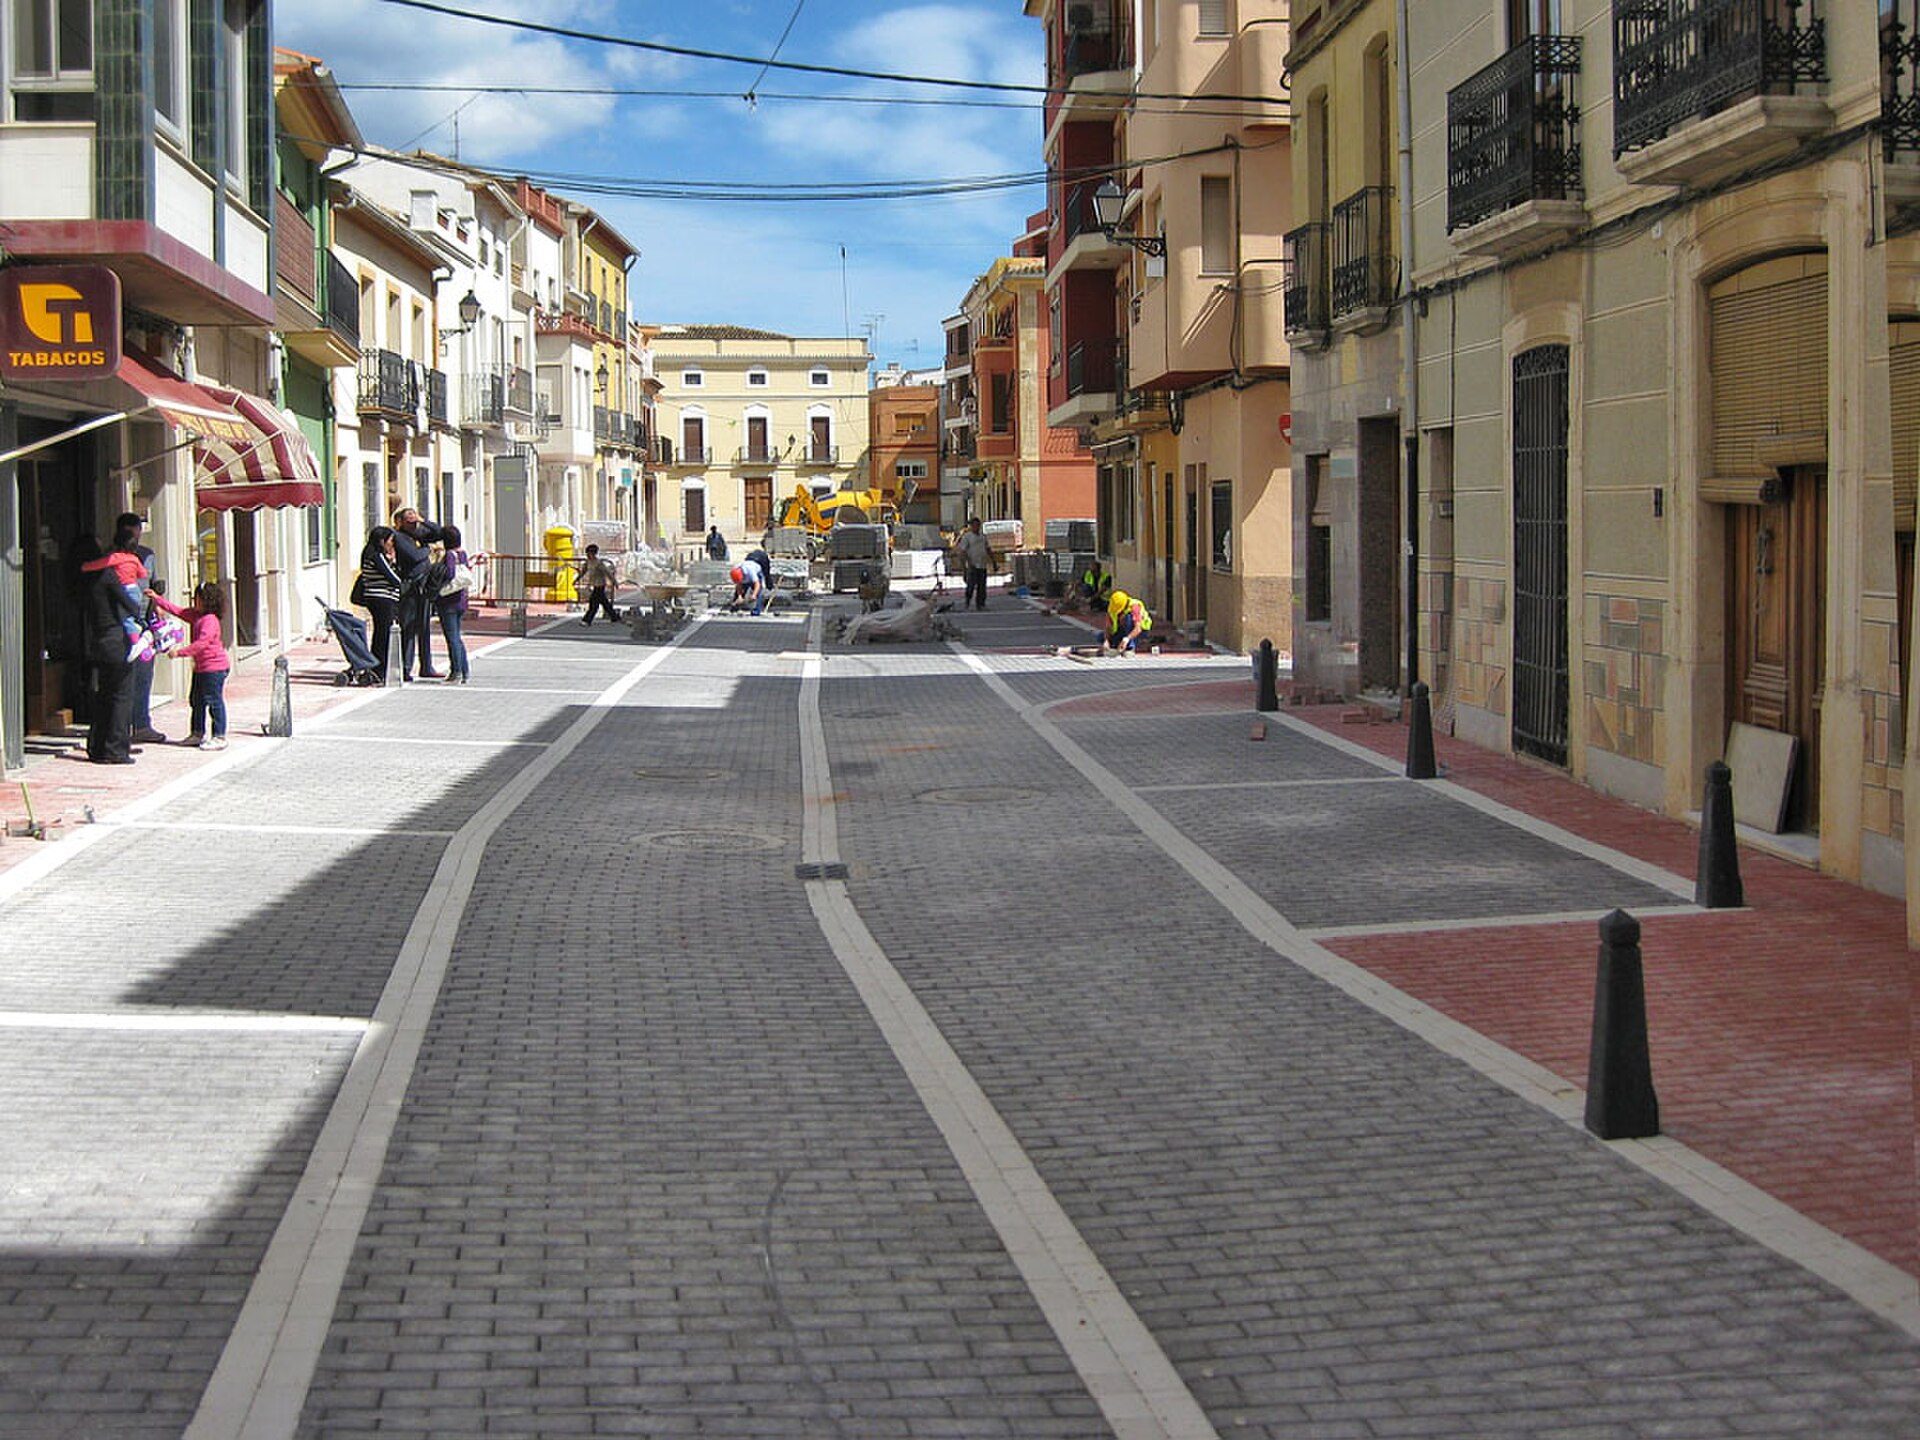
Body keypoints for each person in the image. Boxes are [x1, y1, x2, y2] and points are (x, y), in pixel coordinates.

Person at [82, 537, 143, 764]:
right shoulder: (107, 577)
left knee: (103, 695)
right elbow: (130, 605)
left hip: (97, 640)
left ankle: (96, 746)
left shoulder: (83, 579)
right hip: (116, 640)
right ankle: (116, 748)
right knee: (121, 696)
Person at [150, 582, 230, 749]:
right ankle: (197, 733)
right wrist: (157, 599)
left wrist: (179, 652)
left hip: (214, 668)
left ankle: (219, 736)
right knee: (197, 700)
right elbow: (177, 611)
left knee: (214, 701)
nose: (195, 601)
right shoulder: (196, 615)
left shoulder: (210, 620)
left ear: (207, 600)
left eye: (198, 599)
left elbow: (202, 643)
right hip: (201, 668)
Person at [118, 512, 166, 744]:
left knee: (144, 676)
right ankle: (122, 726)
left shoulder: (148, 555)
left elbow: (153, 584)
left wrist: (157, 603)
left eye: (136, 530)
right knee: (124, 677)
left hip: (144, 624)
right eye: (130, 531)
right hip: (122, 624)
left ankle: (141, 724)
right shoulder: (114, 557)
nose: (134, 535)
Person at [390, 507, 443, 679]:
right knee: (409, 627)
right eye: (409, 521)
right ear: (400, 522)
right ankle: (405, 668)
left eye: (414, 520)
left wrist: (424, 520)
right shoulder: (400, 537)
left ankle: (426, 666)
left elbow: (439, 532)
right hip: (410, 588)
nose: (413, 524)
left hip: (424, 586)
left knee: (424, 627)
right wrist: (428, 549)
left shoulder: (418, 534)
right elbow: (414, 556)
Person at [358, 526, 404, 682]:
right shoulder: (376, 556)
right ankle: (379, 668)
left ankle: (377, 666)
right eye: (390, 540)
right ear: (381, 541)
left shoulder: (371, 554)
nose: (392, 544)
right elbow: (394, 578)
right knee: (383, 635)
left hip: (377, 598)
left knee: (381, 633)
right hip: (382, 599)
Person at [434, 524, 476, 682]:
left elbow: (450, 574)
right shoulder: (463, 553)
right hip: (461, 600)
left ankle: (456, 671)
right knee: (457, 636)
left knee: (451, 637)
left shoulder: (450, 555)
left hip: (449, 601)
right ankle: (464, 671)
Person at [578, 543, 621, 626]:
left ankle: (587, 620)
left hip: (600, 585)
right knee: (605, 603)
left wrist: (614, 582)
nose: (587, 555)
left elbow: (607, 573)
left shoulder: (599, 563)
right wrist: (577, 579)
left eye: (589, 553)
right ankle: (615, 617)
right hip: (594, 585)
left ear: (593, 553)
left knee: (593, 605)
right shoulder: (588, 562)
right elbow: (583, 571)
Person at [956, 517, 993, 612]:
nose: (976, 527)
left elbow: (988, 549)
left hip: (982, 564)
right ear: (971, 526)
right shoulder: (967, 537)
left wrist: (994, 562)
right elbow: (963, 551)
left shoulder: (982, 536)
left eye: (978, 525)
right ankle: (967, 602)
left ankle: (980, 604)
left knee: (982, 586)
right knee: (971, 585)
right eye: (974, 525)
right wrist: (965, 565)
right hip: (972, 565)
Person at [1105, 589, 1152, 655]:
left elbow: (1138, 628)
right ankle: (1116, 644)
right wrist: (1107, 640)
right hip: (1122, 630)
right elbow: (1108, 626)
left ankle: (1130, 647)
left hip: (1138, 632)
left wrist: (1126, 640)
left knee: (1128, 618)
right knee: (1100, 636)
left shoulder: (1135, 607)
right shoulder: (1112, 607)